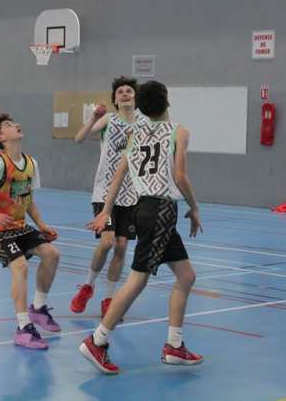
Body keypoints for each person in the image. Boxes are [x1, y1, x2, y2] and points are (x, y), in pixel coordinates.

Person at [79, 80, 203, 374]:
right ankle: (98, 341)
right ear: (168, 102)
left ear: (142, 108)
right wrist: (195, 207)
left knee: (186, 276)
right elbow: (180, 176)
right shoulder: (179, 132)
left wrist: (106, 210)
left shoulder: (136, 133)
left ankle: (174, 346)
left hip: (144, 208)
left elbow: (119, 174)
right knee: (137, 280)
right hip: (160, 209)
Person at [0, 112, 61, 350]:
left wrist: (41, 224)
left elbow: (26, 198)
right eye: (9, 125)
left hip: (18, 226)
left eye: (15, 123)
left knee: (52, 255)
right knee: (20, 266)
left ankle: (38, 308)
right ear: (1, 138)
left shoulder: (30, 163)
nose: (16, 125)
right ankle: (23, 328)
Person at [71, 76, 146, 318]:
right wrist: (93, 118)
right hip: (105, 193)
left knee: (122, 246)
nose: (125, 94)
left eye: (129, 91)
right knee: (107, 242)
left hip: (132, 195)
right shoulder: (109, 120)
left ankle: (109, 298)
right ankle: (88, 286)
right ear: (115, 99)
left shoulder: (144, 124)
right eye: (120, 91)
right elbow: (79, 139)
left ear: (135, 98)